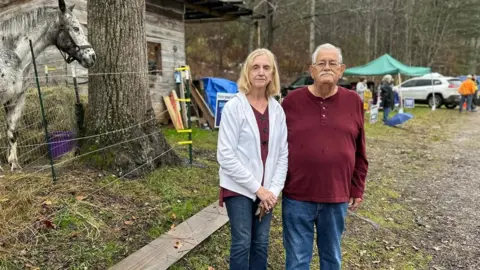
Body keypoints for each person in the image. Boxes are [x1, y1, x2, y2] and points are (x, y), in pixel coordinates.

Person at [281, 43, 368, 270]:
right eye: (321, 63)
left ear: (341, 70)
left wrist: (357, 187)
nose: (327, 68)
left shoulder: (354, 102)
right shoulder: (291, 102)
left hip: (336, 196)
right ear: (312, 70)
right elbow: (276, 148)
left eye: (332, 63)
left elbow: (360, 150)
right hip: (297, 195)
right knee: (297, 260)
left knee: (331, 259)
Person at [217, 48, 288, 270]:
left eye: (266, 67)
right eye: (255, 67)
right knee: (242, 243)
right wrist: (258, 189)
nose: (260, 72)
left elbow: (283, 155)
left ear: (272, 73)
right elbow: (225, 156)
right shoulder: (234, 107)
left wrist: (272, 191)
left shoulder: (278, 110)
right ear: (247, 72)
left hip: (268, 191)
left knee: (261, 243)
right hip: (239, 187)